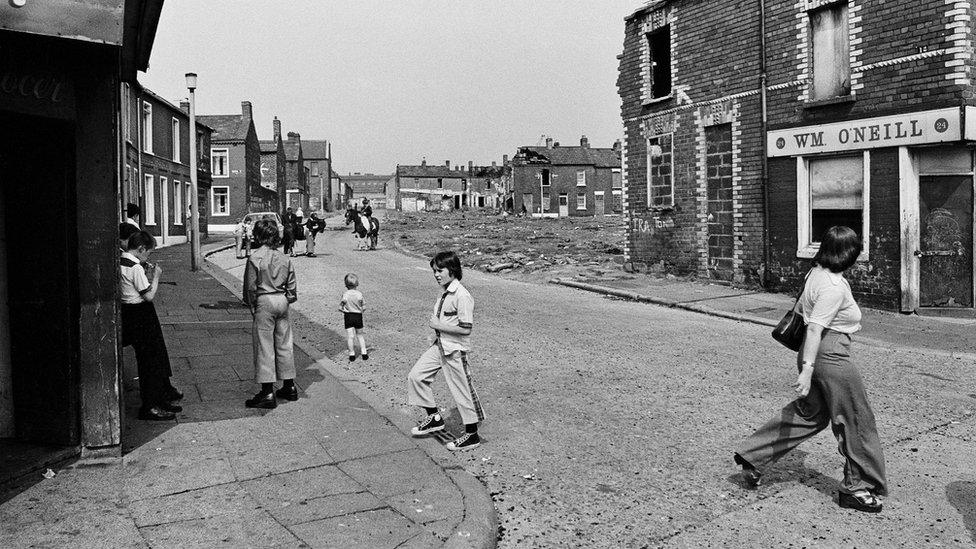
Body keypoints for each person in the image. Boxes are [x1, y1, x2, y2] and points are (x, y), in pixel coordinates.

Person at [733, 226, 887, 513]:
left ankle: (753, 456)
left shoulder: (814, 273)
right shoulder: (833, 287)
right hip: (830, 355)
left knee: (810, 414)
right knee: (855, 419)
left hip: (812, 351)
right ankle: (857, 487)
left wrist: (807, 366)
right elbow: (816, 328)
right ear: (849, 255)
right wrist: (807, 371)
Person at [406, 250, 485, 451]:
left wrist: (438, 325)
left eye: (440, 270)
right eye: (434, 271)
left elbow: (466, 329)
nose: (436, 274)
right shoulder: (445, 291)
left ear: (452, 270)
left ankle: (472, 434)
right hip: (439, 345)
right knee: (416, 376)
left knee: (462, 390)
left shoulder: (462, 295)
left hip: (455, 350)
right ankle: (434, 417)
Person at [120, 230, 183, 421]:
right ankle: (150, 405)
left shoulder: (122, 261)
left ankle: (159, 399)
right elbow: (148, 295)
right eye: (148, 252)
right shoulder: (135, 268)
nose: (149, 256)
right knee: (150, 361)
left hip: (128, 312)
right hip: (141, 313)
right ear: (141, 249)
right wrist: (156, 276)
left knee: (151, 358)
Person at [243, 219, 298, 409]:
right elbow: (292, 288)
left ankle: (267, 392)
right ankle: (289, 386)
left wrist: (252, 305)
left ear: (258, 236)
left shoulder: (255, 258)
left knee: (264, 346)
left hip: (264, 300)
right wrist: (286, 298)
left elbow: (250, 288)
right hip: (282, 300)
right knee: (284, 343)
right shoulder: (284, 258)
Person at [339, 273, 368, 362]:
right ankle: (364, 352)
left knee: (350, 336)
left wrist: (343, 309)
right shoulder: (359, 294)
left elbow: (341, 306)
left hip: (348, 316)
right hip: (358, 316)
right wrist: (361, 309)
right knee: (360, 335)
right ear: (357, 284)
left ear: (346, 285)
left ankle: (352, 354)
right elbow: (364, 306)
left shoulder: (345, 294)